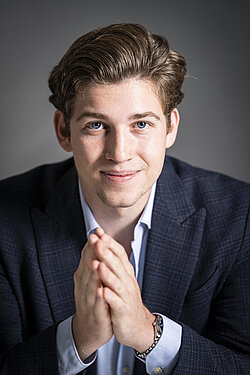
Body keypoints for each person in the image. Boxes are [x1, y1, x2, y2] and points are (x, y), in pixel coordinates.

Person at [0, 23, 249, 375]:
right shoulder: (4, 220)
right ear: (63, 130)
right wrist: (77, 339)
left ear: (171, 127)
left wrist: (150, 335)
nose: (119, 153)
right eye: (96, 125)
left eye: (142, 124)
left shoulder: (240, 216)